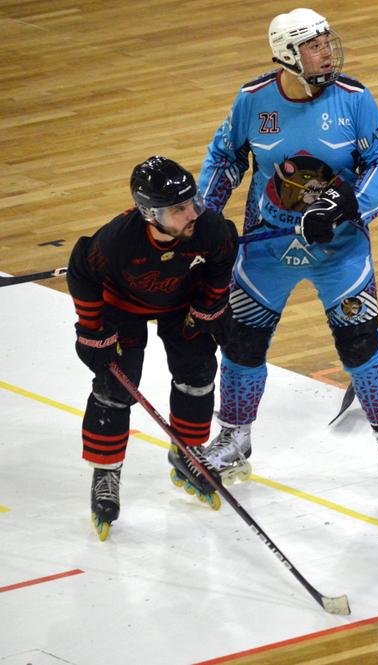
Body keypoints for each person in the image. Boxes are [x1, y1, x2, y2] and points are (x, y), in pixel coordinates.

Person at [197, 8, 378, 498]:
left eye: (326, 42)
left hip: (339, 249)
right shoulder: (253, 100)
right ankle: (234, 436)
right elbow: (224, 158)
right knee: (242, 341)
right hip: (267, 244)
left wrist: (344, 206)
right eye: (314, 46)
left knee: (359, 343)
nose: (327, 52)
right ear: (288, 55)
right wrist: (205, 220)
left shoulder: (355, 99)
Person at [68, 156, 238, 541]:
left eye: (192, 202)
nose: (192, 213)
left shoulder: (209, 228)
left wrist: (210, 307)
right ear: (150, 214)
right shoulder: (117, 240)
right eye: (179, 209)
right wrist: (92, 331)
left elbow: (223, 258)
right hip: (122, 309)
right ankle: (106, 474)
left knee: (198, 373)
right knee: (117, 387)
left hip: (180, 304)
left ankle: (187, 452)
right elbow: (81, 272)